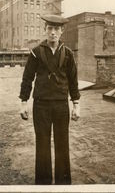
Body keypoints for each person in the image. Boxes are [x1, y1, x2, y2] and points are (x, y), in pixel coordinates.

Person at [19, 14, 80, 185]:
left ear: (61, 32)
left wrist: (76, 104)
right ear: (45, 30)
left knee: (62, 145)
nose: (53, 33)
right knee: (42, 145)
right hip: (41, 106)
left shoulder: (67, 54)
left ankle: (63, 184)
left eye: (56, 29)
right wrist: (23, 103)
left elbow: (73, 80)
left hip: (61, 105)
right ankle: (43, 184)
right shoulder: (36, 52)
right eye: (50, 29)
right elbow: (27, 78)